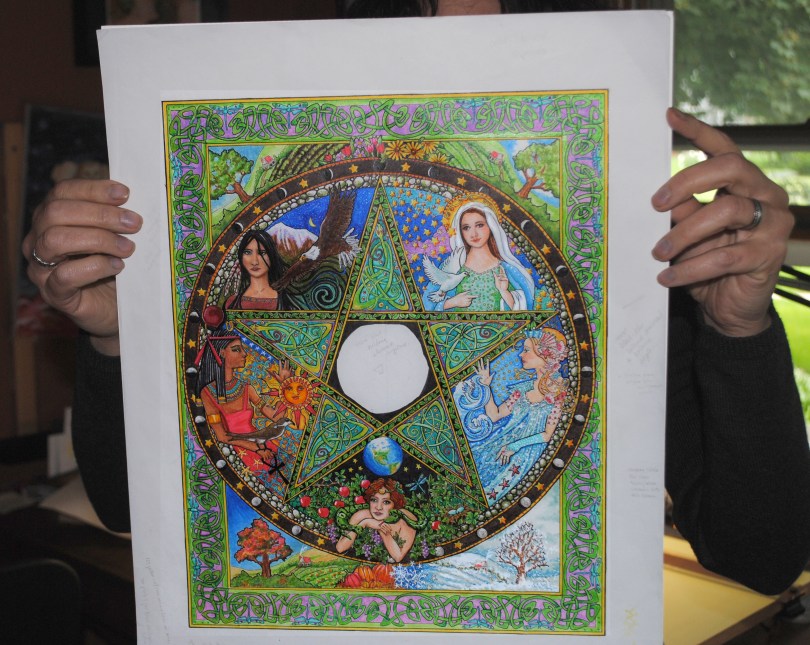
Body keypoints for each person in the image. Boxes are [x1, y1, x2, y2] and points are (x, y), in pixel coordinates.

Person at [22, 0, 810, 595]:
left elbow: (764, 553)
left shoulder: (621, 263)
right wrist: (119, 338)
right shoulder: (295, 251)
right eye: (430, 24)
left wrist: (737, 330)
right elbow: (127, 506)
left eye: (497, 44)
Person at [460, 328, 568, 502]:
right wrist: (486, 387)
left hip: (529, 455)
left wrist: (516, 446)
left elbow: (548, 435)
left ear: (544, 355)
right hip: (502, 447)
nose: (520, 355)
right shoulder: (522, 390)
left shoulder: (560, 391)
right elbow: (495, 415)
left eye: (526, 350)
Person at [194, 330, 287, 471]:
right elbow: (222, 436)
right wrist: (257, 449)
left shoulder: (246, 388)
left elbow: (276, 417)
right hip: (238, 454)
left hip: (262, 446)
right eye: (236, 349)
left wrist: (285, 386)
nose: (244, 354)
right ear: (222, 353)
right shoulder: (207, 393)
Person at [422, 198, 535, 311]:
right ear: (460, 232)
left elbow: (527, 311)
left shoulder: (507, 270)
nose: (474, 234)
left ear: (491, 226)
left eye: (479, 225)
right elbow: (427, 308)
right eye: (466, 228)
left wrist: (504, 292)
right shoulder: (452, 268)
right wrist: (452, 302)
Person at [335, 478, 418, 562]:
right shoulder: (362, 515)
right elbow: (340, 548)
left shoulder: (407, 522)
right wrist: (364, 523)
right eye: (374, 500)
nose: (378, 507)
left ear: (395, 505)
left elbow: (398, 557)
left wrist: (384, 530)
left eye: (386, 502)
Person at [225, 228, 289, 311]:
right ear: (241, 257)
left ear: (271, 255)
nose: (254, 262)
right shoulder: (231, 304)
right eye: (247, 252)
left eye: (262, 253)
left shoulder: (289, 301)